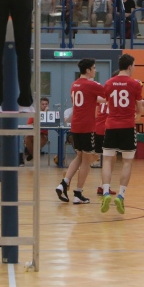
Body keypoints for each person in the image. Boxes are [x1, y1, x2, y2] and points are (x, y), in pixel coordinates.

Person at [100, 54, 144, 214]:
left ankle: (105, 192)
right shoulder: (135, 84)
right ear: (130, 66)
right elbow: (139, 109)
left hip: (111, 126)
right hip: (127, 127)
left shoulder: (108, 83)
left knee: (107, 160)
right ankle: (121, 195)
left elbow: (108, 103)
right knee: (127, 162)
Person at [56, 59, 106, 205]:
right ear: (88, 70)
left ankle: (64, 183)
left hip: (76, 126)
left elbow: (93, 99)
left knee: (79, 156)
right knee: (87, 160)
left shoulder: (75, 84)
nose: (95, 71)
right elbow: (108, 94)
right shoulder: (92, 84)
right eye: (94, 68)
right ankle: (78, 193)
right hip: (87, 126)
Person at [24, 97, 50, 164]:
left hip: (43, 134)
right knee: (27, 138)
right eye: (43, 104)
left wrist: (45, 113)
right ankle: (34, 155)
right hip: (33, 133)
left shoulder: (50, 114)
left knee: (41, 140)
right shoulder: (35, 113)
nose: (45, 106)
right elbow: (29, 124)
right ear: (40, 105)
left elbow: (50, 124)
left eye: (46, 104)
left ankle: (31, 153)